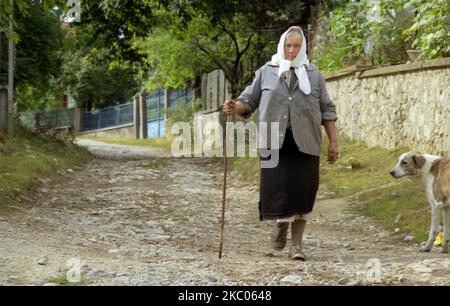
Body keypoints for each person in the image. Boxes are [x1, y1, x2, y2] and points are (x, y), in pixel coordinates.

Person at [223, 26, 338, 261]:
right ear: (282, 46)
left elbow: (327, 109)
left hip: (305, 142)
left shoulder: (314, 74)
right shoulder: (266, 72)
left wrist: (333, 142)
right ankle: (280, 225)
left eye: (297, 46)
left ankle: (297, 246)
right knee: (277, 192)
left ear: (303, 47)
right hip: (273, 142)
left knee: (303, 194)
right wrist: (235, 107)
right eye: (288, 46)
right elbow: (249, 100)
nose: (292, 50)